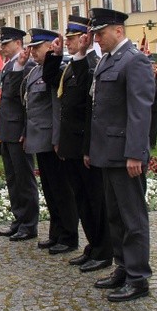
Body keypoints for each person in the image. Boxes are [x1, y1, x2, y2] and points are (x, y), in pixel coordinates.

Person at [84, 7, 154, 303]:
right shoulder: (106, 62)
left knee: (132, 217)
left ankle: (138, 277)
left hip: (126, 154)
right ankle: (122, 267)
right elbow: (98, 111)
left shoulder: (134, 61)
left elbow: (140, 111)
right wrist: (92, 149)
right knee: (115, 215)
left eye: (100, 33)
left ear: (118, 31)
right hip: (106, 151)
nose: (97, 39)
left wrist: (136, 154)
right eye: (95, 34)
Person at [43, 15, 112, 272]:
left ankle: (104, 249)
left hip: (86, 145)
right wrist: (54, 55)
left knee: (95, 200)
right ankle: (93, 246)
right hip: (71, 144)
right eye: (68, 39)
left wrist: (86, 147)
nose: (68, 43)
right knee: (82, 200)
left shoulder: (92, 63)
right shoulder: (73, 64)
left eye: (71, 39)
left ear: (86, 38)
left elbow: (88, 106)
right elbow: (52, 80)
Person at [21, 28, 77, 255]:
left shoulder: (59, 70)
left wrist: (58, 139)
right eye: (32, 48)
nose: (33, 52)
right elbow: (29, 107)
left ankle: (68, 235)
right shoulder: (35, 72)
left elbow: (57, 108)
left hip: (51, 140)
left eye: (37, 48)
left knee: (61, 190)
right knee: (50, 190)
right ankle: (56, 233)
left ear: (51, 46)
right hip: (38, 138)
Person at [0, 26, 39, 242]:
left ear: (18, 43)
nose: (2, 48)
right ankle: (19, 219)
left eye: (5, 44)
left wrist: (26, 130)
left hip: (18, 129)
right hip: (7, 128)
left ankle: (29, 223)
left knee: (24, 178)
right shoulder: (9, 65)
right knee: (12, 178)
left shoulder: (27, 65)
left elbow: (27, 102)